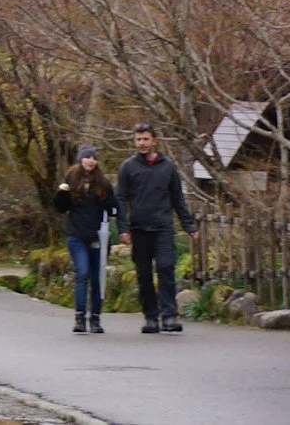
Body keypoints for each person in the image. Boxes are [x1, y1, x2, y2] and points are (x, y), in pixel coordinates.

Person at [115, 123, 197, 334]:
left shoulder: (168, 167)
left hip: (163, 227)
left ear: (154, 141)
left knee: (166, 268)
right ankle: (151, 317)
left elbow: (178, 198)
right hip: (139, 228)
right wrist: (123, 228)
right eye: (138, 139)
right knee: (143, 274)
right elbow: (121, 199)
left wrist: (188, 225)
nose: (142, 143)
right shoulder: (128, 167)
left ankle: (169, 316)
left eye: (145, 139)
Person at [54, 143, 116, 334]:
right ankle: (80, 317)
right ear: (80, 159)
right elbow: (60, 207)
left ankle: (95, 318)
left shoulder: (103, 184)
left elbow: (112, 207)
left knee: (97, 278)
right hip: (76, 235)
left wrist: (113, 210)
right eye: (87, 157)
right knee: (82, 273)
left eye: (94, 157)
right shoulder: (70, 180)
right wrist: (62, 195)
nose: (91, 160)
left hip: (97, 236)